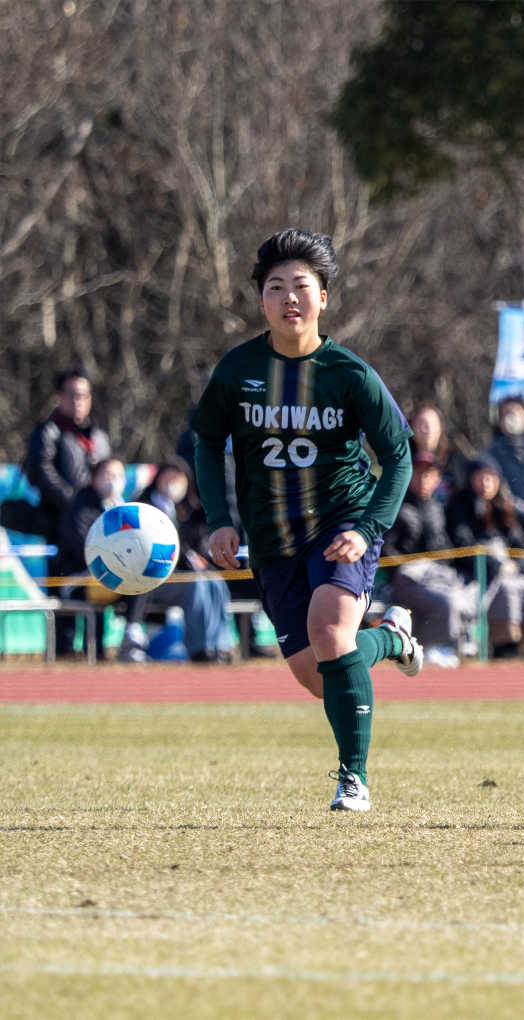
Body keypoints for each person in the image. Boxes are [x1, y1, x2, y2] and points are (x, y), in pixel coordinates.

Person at [192, 229, 421, 813]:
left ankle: (353, 778)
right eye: (276, 287)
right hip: (271, 541)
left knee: (329, 632)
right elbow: (206, 442)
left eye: (302, 286)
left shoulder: (350, 374)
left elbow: (398, 456)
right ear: (260, 300)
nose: (289, 297)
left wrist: (367, 528)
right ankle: (391, 640)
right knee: (314, 671)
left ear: (323, 297)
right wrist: (219, 519)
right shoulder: (237, 370)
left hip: (340, 526)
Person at [125, 459, 236, 663]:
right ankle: (199, 648)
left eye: (178, 479)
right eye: (168, 477)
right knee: (196, 584)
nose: (173, 483)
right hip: (151, 580)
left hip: (183, 575)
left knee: (214, 581)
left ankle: (218, 645)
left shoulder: (191, 512)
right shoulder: (143, 508)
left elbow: (200, 549)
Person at [384, 451, 476, 668]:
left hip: (438, 575)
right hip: (407, 578)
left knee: (469, 593)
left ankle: (456, 644)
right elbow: (385, 548)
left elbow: (447, 548)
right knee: (445, 602)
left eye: (429, 473)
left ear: (437, 479)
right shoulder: (395, 506)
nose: (423, 478)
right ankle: (432, 645)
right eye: (418, 473)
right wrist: (409, 565)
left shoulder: (438, 508)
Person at [13, 369, 112, 542]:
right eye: (71, 394)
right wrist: (74, 502)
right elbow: (39, 471)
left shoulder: (99, 436)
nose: (77, 401)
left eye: (83, 395)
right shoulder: (48, 431)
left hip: (98, 521)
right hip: (60, 524)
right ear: (58, 396)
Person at [54, 458, 125, 657]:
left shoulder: (122, 508)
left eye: (119, 475)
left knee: (141, 583)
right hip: (78, 576)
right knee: (101, 587)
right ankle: (94, 651)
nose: (113, 481)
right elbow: (80, 543)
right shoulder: (81, 504)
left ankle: (134, 638)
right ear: (94, 478)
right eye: (108, 475)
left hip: (109, 574)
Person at [445, 457, 524, 577]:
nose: (485, 483)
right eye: (480, 477)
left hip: (509, 571)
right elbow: (463, 544)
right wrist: (495, 567)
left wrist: (517, 566)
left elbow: (519, 544)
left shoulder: (504, 506)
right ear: (470, 478)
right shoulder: (459, 505)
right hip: (474, 574)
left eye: (490, 477)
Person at [485, 396, 524, 537]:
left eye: (517, 410)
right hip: (512, 527)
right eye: (507, 412)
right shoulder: (492, 454)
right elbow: (502, 493)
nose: (512, 416)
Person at [411, 403, 468, 499]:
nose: (426, 429)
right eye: (421, 423)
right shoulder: (403, 461)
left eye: (431, 424)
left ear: (440, 428)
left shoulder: (455, 459)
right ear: (412, 428)